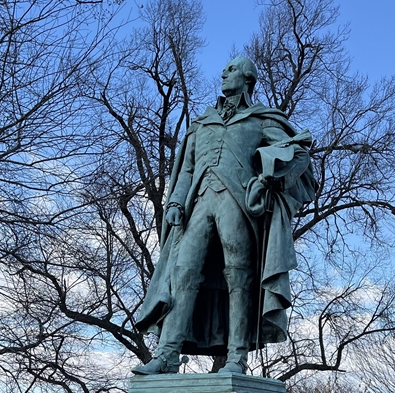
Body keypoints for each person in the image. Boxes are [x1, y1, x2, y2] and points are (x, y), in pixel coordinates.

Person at [133, 56, 315, 375]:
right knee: (182, 273)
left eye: (231, 70)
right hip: (198, 204)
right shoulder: (202, 124)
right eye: (224, 69)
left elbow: (298, 152)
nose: (223, 72)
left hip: (239, 202)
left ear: (247, 79)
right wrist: (175, 202)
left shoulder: (261, 120)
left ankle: (236, 358)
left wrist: (269, 176)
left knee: (239, 275)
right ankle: (167, 354)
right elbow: (187, 169)